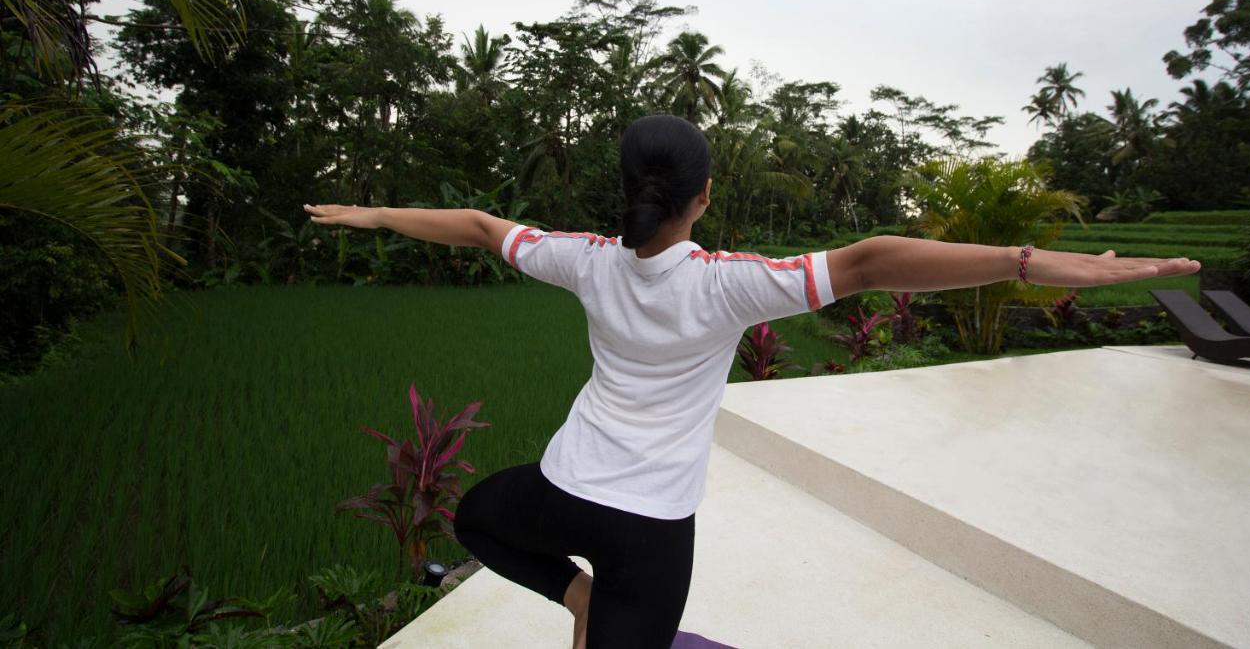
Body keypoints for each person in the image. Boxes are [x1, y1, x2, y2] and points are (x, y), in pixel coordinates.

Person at [304, 114, 1200, 649]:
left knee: (477, 517)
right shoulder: (729, 281)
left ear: (627, 191)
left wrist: (369, 211)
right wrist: (1034, 261)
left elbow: (472, 222)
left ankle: (576, 596)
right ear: (700, 198)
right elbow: (874, 260)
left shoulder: (582, 261)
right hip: (651, 532)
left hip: (561, 493)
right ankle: (592, 600)